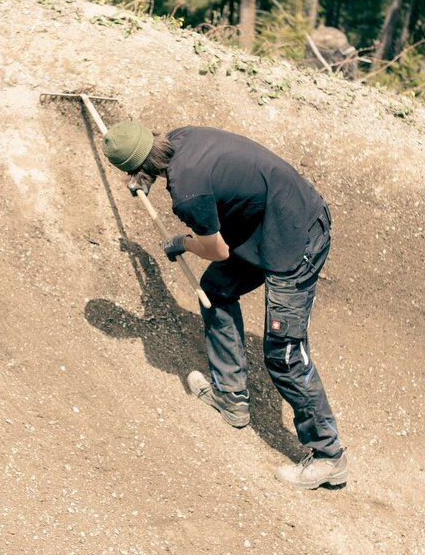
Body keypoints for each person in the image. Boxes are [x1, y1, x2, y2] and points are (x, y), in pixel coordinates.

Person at [102, 121, 348, 490]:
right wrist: (147, 175)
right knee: (216, 290)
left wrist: (182, 242)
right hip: (265, 224)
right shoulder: (180, 137)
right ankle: (231, 398)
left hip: (298, 238)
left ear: (133, 167)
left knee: (284, 354)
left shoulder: (187, 191)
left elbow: (216, 250)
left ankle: (329, 457)